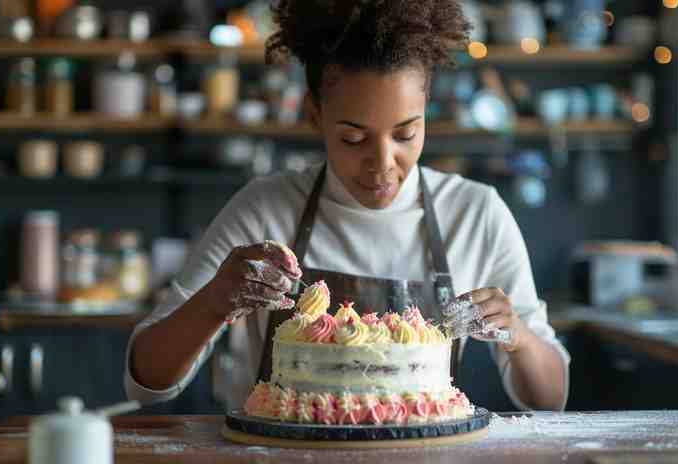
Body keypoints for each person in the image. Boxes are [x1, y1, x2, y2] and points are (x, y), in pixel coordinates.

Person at [126, 0, 569, 412]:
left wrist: (518, 336)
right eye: (353, 138)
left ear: (426, 112)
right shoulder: (264, 209)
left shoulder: (476, 215)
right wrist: (213, 302)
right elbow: (145, 383)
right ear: (314, 114)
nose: (382, 163)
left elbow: (550, 400)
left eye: (405, 134)